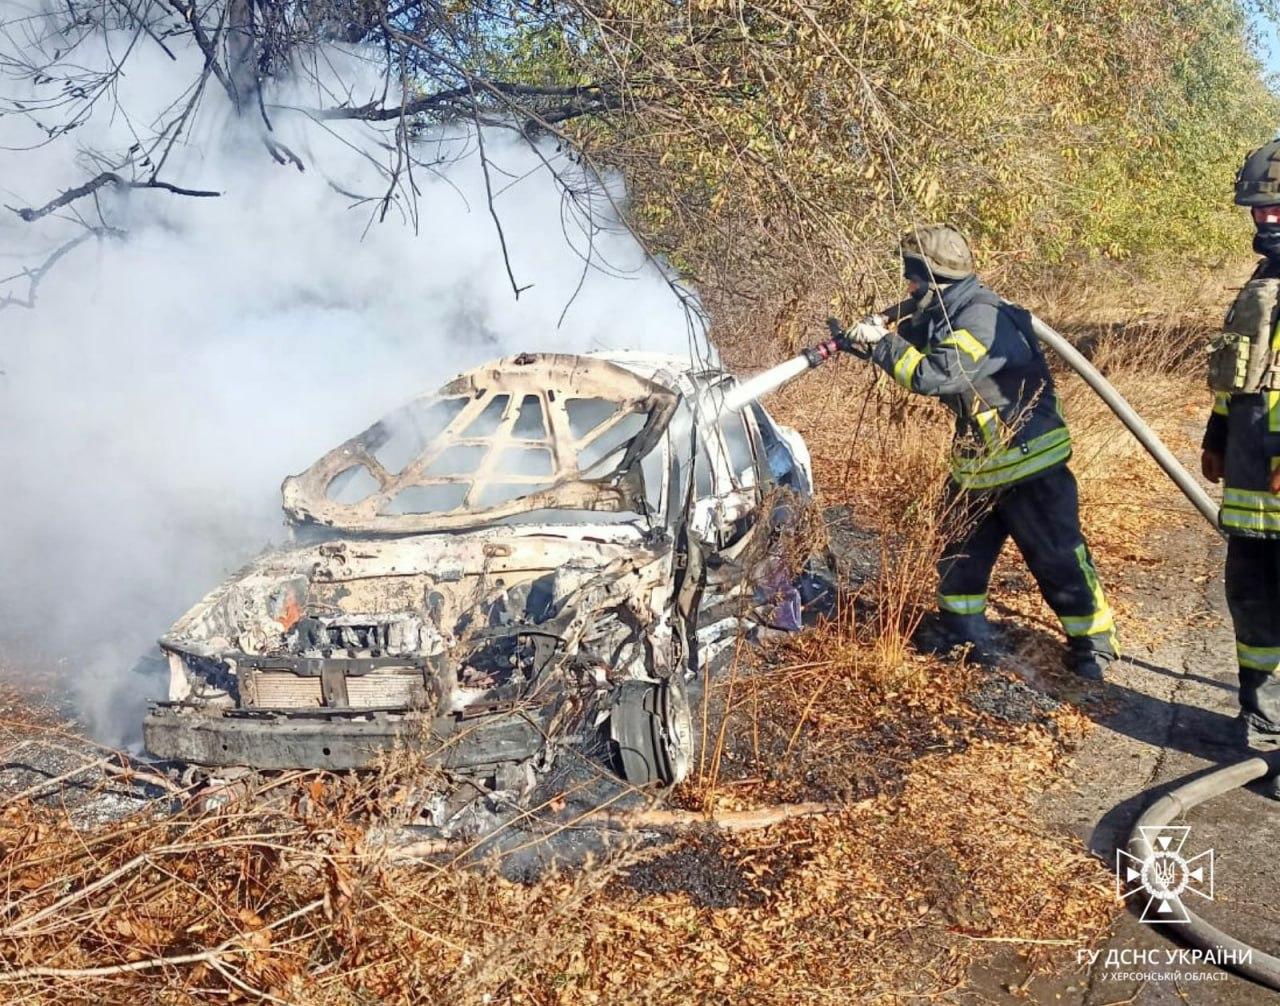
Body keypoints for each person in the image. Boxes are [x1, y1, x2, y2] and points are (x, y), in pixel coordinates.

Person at [836, 224, 1117, 680]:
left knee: (1056, 556)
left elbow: (934, 376)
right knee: (958, 554)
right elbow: (930, 356)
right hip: (979, 465)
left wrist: (883, 344)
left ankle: (1093, 644)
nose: (906, 287)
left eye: (911, 278)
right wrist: (865, 345)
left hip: (1028, 463)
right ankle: (961, 630)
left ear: (931, 278)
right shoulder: (951, 309)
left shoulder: (980, 316)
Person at [1201, 140, 1280, 751]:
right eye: (1259, 211)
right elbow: (1241, 376)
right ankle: (1262, 715)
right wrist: (1218, 435)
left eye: (1277, 209)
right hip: (1254, 491)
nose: (1267, 220)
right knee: (1252, 604)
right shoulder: (1264, 282)